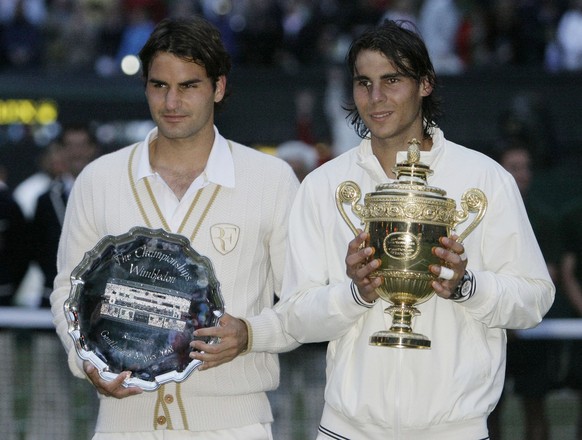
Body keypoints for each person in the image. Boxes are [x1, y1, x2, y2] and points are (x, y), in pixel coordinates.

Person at [275, 19, 555, 440]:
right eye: (363, 83)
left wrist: (467, 287)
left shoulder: (485, 178)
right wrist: (355, 293)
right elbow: (295, 317)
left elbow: (535, 299)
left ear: (425, 84)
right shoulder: (323, 186)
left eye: (392, 80)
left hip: (455, 430)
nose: (376, 97)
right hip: (348, 429)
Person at [50, 16, 299, 439]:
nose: (171, 102)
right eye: (159, 85)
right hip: (123, 423)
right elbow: (67, 289)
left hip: (234, 425)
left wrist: (252, 333)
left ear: (218, 88)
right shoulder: (100, 179)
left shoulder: (271, 180)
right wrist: (86, 359)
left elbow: (303, 299)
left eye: (189, 86)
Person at [487, 138, 562, 440]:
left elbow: (551, 276)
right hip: (494, 330)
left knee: (536, 406)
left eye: (526, 167)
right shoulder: (483, 218)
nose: (523, 174)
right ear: (499, 171)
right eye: (514, 167)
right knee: (488, 411)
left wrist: (520, 316)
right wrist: (503, 318)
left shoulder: (544, 219)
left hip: (532, 331)